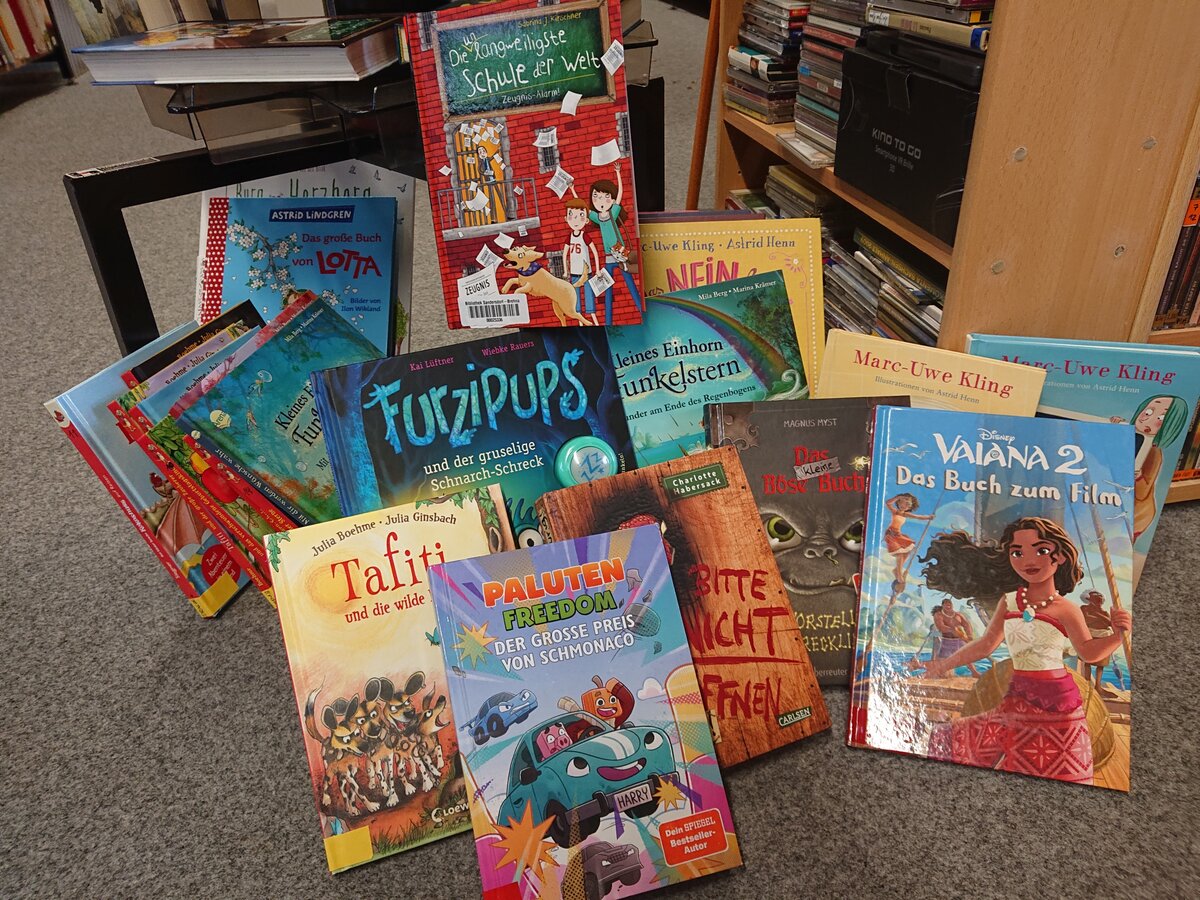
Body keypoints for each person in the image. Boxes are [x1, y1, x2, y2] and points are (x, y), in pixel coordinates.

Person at [906, 517, 1131, 785]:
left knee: (1063, 771)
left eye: (1041, 550)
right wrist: (942, 665)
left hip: (1058, 706)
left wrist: (1118, 636)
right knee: (963, 742)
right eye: (1017, 553)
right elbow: (986, 644)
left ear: (1059, 556)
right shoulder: (1010, 601)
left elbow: (1089, 653)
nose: (1028, 560)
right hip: (1017, 699)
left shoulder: (1066, 609)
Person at [570, 162, 644, 324]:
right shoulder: (597, 217)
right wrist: (573, 190)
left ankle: (642, 314)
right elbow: (583, 208)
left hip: (620, 256)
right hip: (608, 258)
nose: (601, 200)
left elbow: (620, 195)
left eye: (605, 197)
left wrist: (618, 173)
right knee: (608, 292)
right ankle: (608, 322)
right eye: (596, 196)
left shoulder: (613, 213)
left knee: (631, 287)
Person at [1111, 395, 1190, 540]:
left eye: (1161, 418)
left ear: (1170, 425)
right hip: (1115, 503)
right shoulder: (1131, 437)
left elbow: (1142, 493)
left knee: (1118, 543)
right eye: (1148, 412)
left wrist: (1138, 475)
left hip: (1137, 513)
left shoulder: (1154, 453)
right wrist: (1116, 425)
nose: (1149, 419)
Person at [884, 493, 934, 591]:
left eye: (908, 505)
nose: (906, 505)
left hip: (898, 535)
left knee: (908, 550)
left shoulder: (905, 514)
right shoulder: (895, 511)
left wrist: (928, 517)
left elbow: (918, 517)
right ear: (899, 502)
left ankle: (896, 569)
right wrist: (897, 497)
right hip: (891, 534)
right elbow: (888, 503)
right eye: (904, 502)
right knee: (899, 554)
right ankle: (899, 573)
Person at [562, 199, 600, 325]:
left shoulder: (584, 236)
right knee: (576, 298)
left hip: (586, 272)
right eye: (571, 215)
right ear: (566, 218)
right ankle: (580, 322)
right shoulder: (569, 237)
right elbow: (564, 254)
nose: (576, 220)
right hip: (574, 273)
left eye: (581, 216)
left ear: (586, 220)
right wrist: (566, 270)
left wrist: (598, 269)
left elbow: (595, 252)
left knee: (589, 296)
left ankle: (594, 319)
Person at [1078, 589, 1125, 690]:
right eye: (1095, 596)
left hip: (1103, 637)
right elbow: (1086, 619)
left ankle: (1098, 686)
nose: (1098, 597)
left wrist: (1099, 615)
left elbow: (1109, 623)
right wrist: (1100, 617)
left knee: (1101, 664)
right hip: (1090, 637)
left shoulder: (1104, 612)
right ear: (1089, 598)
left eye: (1099, 597)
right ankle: (1087, 683)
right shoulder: (1084, 609)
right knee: (1087, 661)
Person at [931, 598, 981, 677]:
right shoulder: (939, 615)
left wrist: (969, 635)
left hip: (959, 640)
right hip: (947, 641)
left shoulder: (958, 615)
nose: (948, 607)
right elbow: (941, 627)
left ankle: (974, 672)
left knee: (966, 656)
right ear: (942, 606)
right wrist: (952, 629)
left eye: (950, 605)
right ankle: (938, 674)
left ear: (952, 605)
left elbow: (967, 624)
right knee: (942, 659)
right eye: (946, 605)